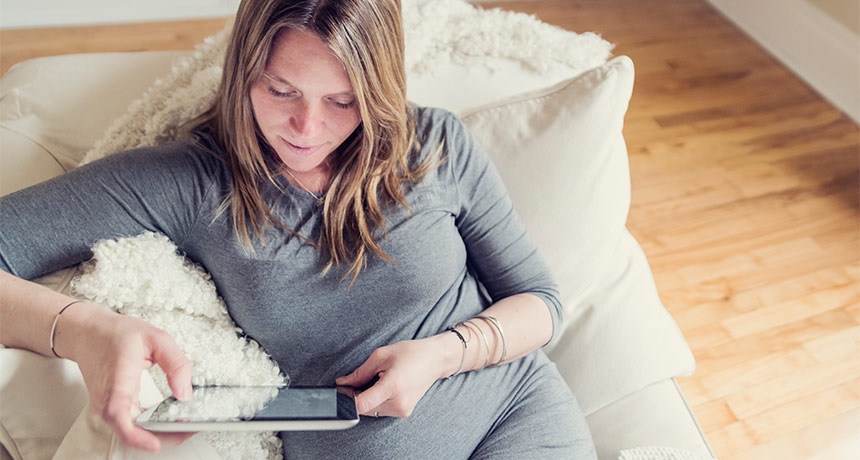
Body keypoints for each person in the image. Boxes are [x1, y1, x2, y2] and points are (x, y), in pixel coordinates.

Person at [0, 0, 598, 458]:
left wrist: (443, 355)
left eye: (342, 101)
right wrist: (86, 332)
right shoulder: (190, 182)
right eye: (281, 90)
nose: (307, 127)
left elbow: (541, 303)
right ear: (244, 76)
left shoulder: (435, 145)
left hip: (521, 416)